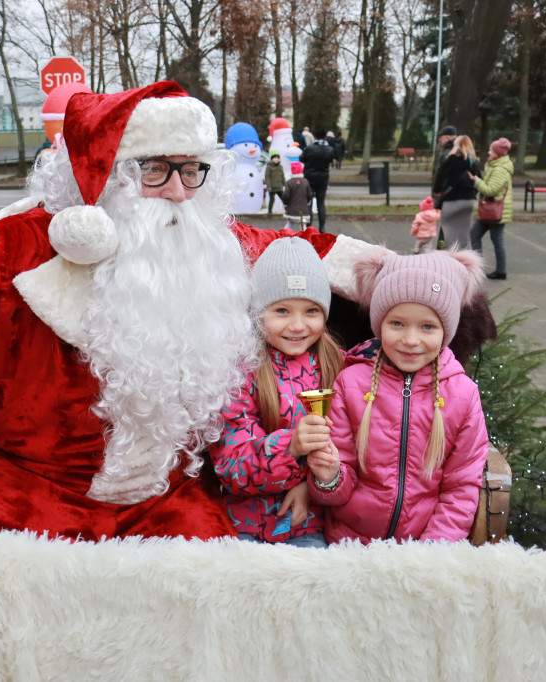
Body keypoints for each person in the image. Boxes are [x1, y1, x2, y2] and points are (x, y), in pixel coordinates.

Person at [0, 81, 359, 626]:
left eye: (191, 170)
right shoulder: (18, 249)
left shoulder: (210, 242)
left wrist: (414, 274)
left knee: (228, 619)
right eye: (154, 169)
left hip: (165, 500)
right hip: (23, 488)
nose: (178, 191)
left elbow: (306, 253)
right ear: (106, 180)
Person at [306, 249, 489, 544]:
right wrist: (329, 477)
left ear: (447, 331)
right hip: (350, 547)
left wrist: (431, 553)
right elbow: (339, 486)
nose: (411, 340)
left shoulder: (463, 395)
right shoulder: (351, 383)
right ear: (380, 326)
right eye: (397, 324)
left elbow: (461, 486)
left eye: (427, 327)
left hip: (425, 551)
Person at [211, 237, 341, 548]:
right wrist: (292, 447)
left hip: (311, 527)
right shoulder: (239, 373)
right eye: (282, 310)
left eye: (311, 311)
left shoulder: (339, 366)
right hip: (244, 530)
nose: (298, 325)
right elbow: (230, 467)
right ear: (257, 312)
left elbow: (352, 450)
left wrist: (313, 486)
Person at [469, 137, 514, 279]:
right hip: (492, 210)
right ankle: (482, 267)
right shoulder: (495, 166)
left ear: (497, 153)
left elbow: (490, 190)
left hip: (495, 212)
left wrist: (476, 181)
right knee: (476, 235)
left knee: (493, 239)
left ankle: (497, 270)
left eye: (491, 150)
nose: (488, 152)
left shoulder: (500, 169)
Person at [432, 135, 481, 249]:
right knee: (463, 234)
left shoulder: (452, 159)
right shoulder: (472, 162)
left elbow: (441, 176)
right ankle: (463, 259)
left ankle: (444, 258)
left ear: (456, 145)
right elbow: (479, 179)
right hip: (468, 201)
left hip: (451, 200)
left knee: (446, 232)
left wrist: (437, 191)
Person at [301, 132, 335, 233]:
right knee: (321, 203)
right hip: (323, 178)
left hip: (309, 177)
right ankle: (322, 227)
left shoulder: (310, 148)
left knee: (309, 203)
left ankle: (309, 226)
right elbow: (331, 160)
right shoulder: (330, 149)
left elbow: (302, 159)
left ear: (315, 136)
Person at [281, 161, 313, 230]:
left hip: (291, 209)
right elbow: (309, 195)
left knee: (289, 224)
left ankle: (282, 236)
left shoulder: (289, 182)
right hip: (303, 209)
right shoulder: (305, 182)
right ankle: (304, 238)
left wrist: (285, 204)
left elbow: (286, 195)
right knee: (303, 225)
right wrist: (307, 202)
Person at [264, 150, 286, 216]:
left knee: (284, 199)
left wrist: (284, 183)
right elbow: (267, 177)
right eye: (274, 158)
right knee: (272, 200)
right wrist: (269, 185)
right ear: (272, 159)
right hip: (272, 187)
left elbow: (282, 176)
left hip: (279, 186)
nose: (276, 159)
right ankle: (269, 211)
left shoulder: (280, 167)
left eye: (277, 158)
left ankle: (288, 210)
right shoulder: (269, 167)